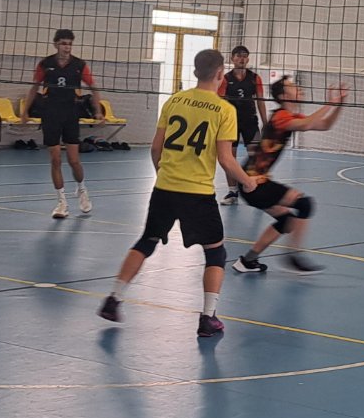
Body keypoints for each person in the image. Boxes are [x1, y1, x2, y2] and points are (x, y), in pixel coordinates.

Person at [97, 48, 260, 337]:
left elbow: (155, 148)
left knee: (146, 241)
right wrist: (247, 182)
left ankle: (114, 298)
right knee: (215, 252)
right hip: (197, 192)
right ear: (220, 74)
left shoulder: (174, 100)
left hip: (165, 187)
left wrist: (163, 174)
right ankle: (208, 318)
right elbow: (226, 159)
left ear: (195, 71)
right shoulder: (225, 110)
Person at [231, 77, 347, 275]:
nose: (299, 87)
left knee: (286, 220)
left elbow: (325, 125)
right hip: (252, 182)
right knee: (304, 204)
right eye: (293, 86)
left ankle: (247, 261)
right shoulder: (281, 117)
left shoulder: (290, 116)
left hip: (256, 181)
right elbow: (306, 125)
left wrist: (339, 105)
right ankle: (293, 256)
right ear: (284, 96)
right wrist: (330, 103)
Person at [24, 29, 106, 219]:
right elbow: (34, 88)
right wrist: (25, 111)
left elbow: (94, 88)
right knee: (55, 160)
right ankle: (61, 202)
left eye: (69, 44)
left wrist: (98, 111)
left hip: (71, 114)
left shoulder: (79, 65)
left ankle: (81, 188)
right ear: (55, 44)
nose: (67, 47)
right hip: (50, 114)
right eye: (63, 43)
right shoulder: (45, 64)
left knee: (74, 161)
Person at [217, 45, 267, 205]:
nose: (241, 59)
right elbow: (220, 103)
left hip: (250, 122)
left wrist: (266, 123)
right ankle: (233, 192)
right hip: (230, 123)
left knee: (256, 157)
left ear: (248, 59)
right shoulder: (225, 79)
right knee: (229, 157)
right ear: (232, 59)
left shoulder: (255, 78)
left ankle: (259, 190)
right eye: (238, 56)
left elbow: (260, 101)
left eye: (244, 56)